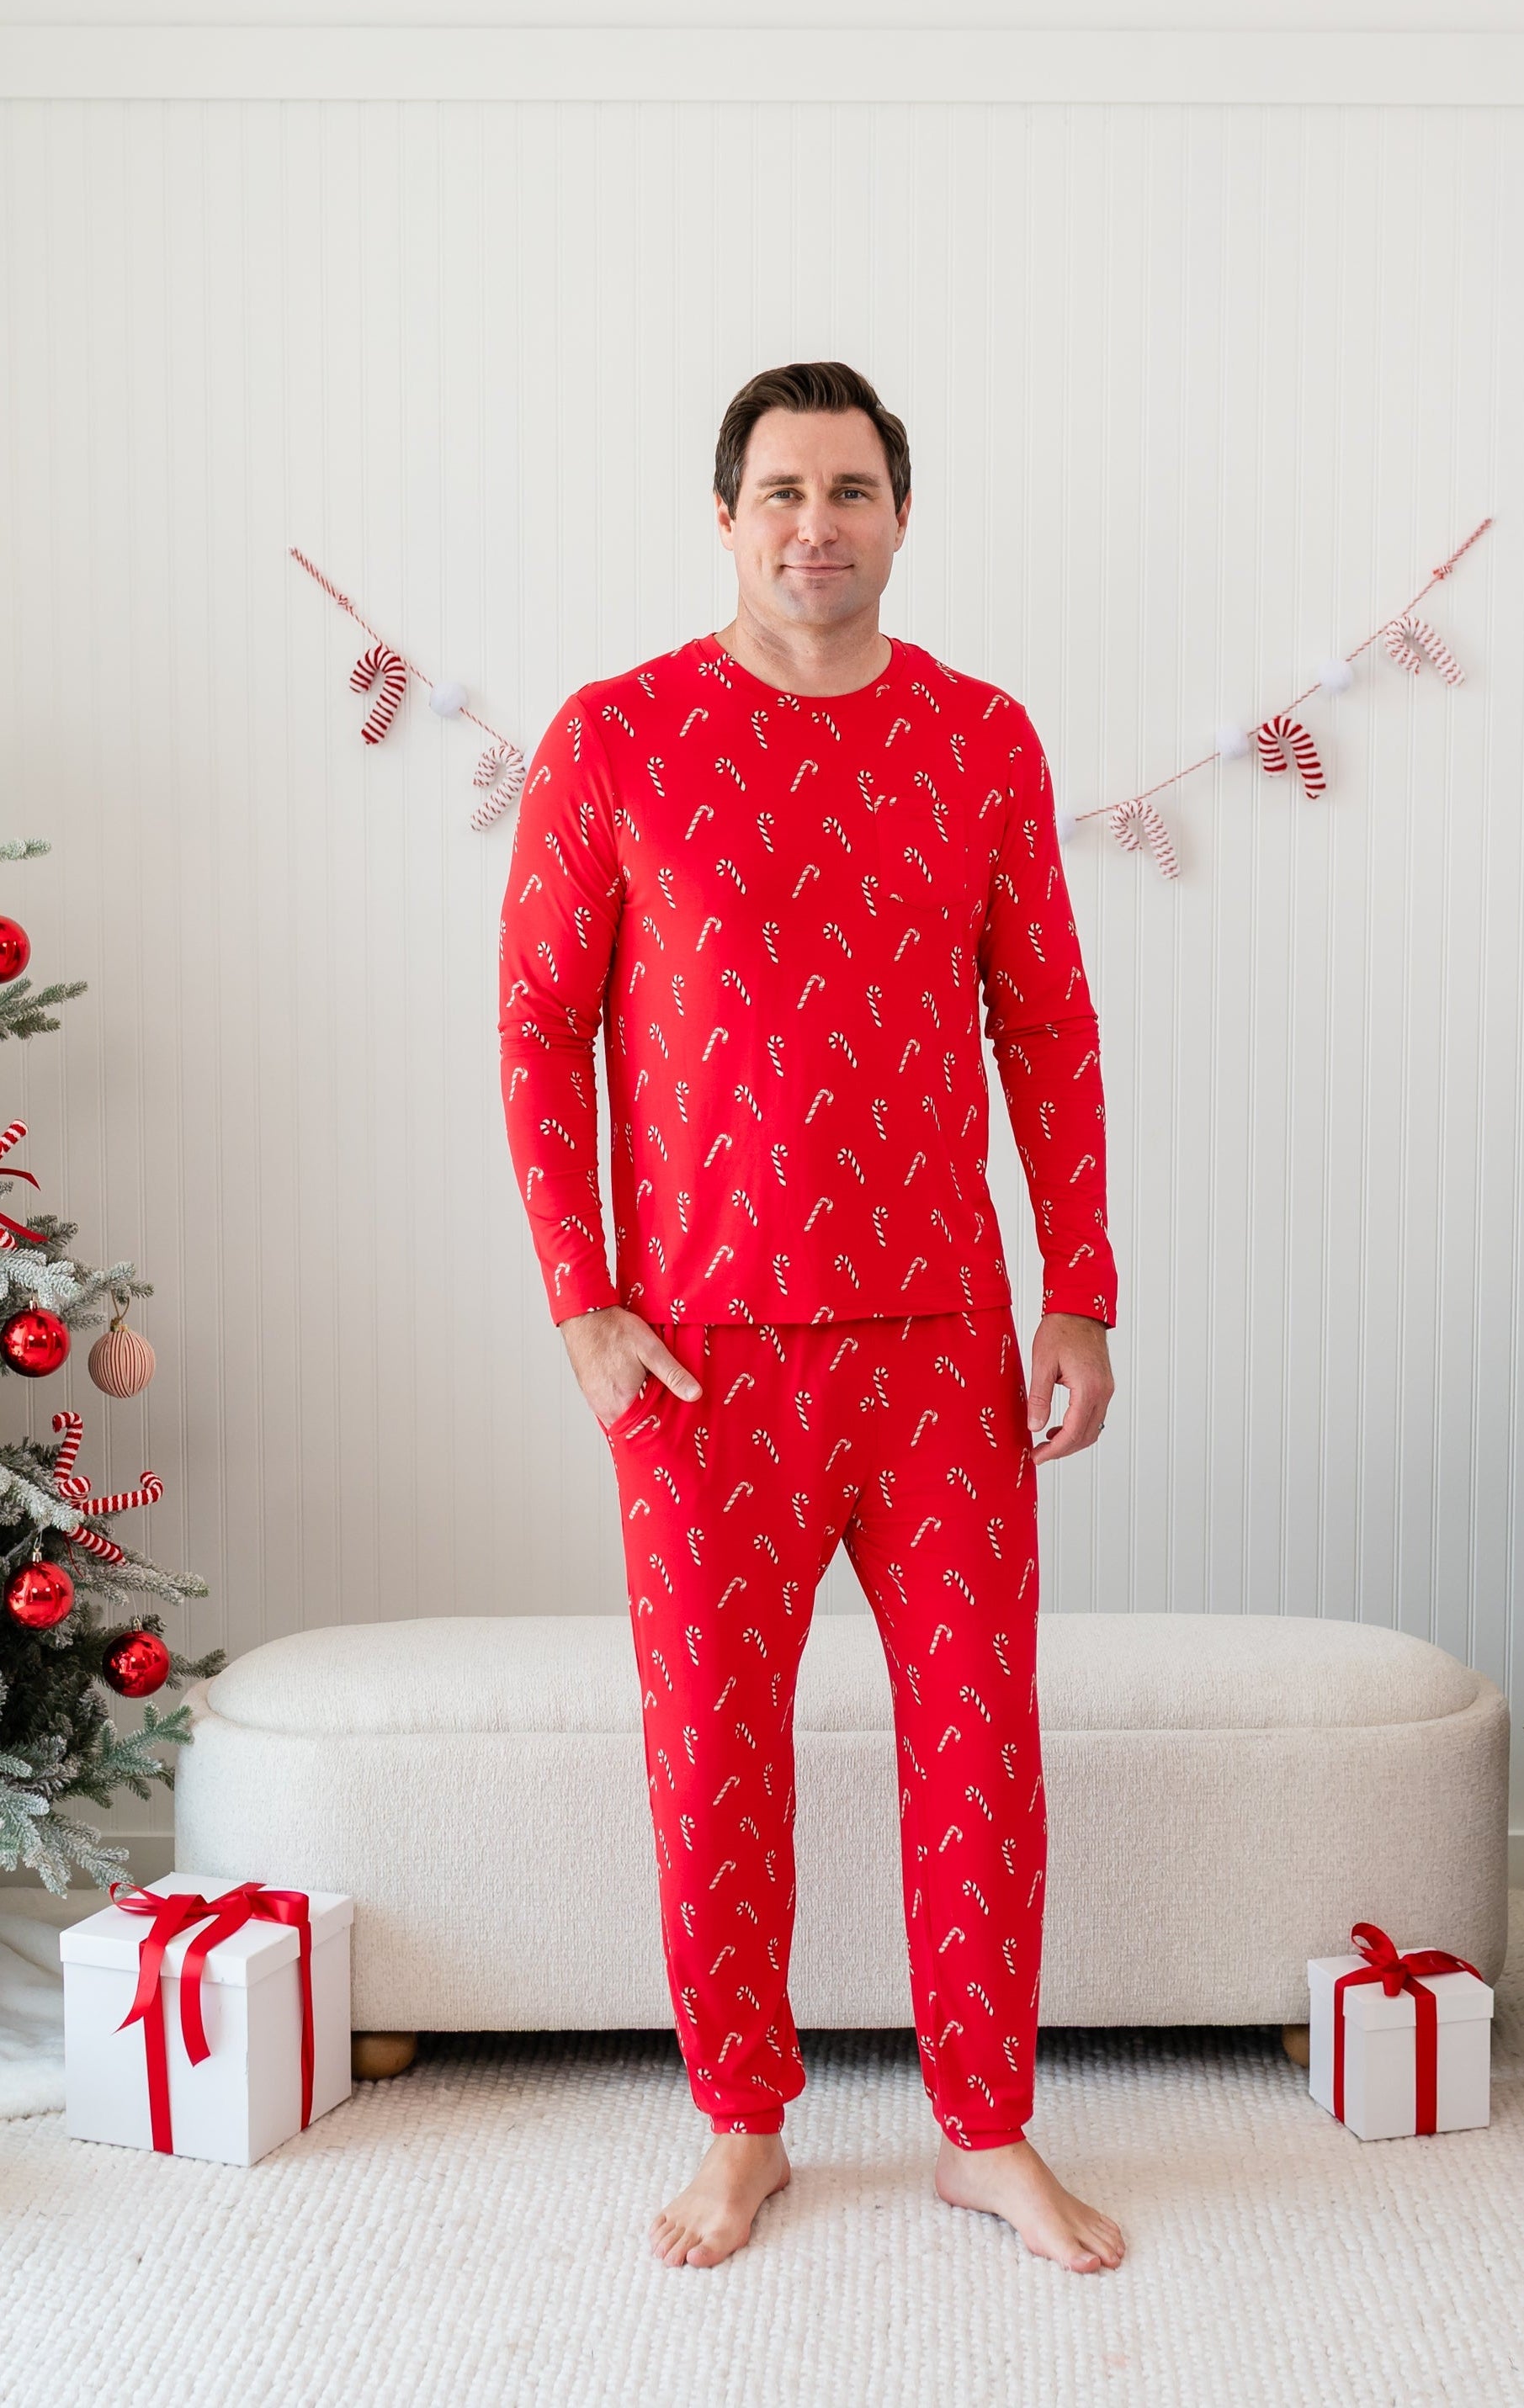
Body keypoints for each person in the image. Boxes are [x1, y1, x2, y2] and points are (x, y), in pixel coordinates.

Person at [498, 361, 1123, 2273]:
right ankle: (742, 2124)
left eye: (850, 489)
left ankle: (984, 2130)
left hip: (941, 1340)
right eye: (780, 491)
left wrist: (1079, 1297)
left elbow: (1049, 1025)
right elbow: (543, 1024)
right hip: (696, 1356)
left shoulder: (981, 736)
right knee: (711, 1747)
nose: (814, 524)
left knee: (976, 1741)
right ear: (724, 518)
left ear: (899, 516)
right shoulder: (613, 737)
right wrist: (583, 1306)